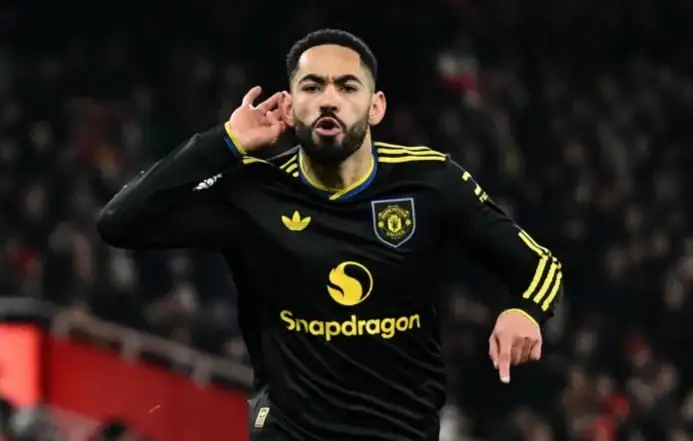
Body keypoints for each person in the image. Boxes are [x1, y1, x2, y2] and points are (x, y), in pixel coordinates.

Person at [97, 29, 564, 441]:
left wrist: (525, 310)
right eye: (312, 86)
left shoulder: (429, 181)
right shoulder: (253, 192)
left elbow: (540, 266)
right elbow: (120, 221)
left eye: (347, 86)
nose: (328, 99)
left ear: (376, 106)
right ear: (289, 105)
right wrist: (225, 142)